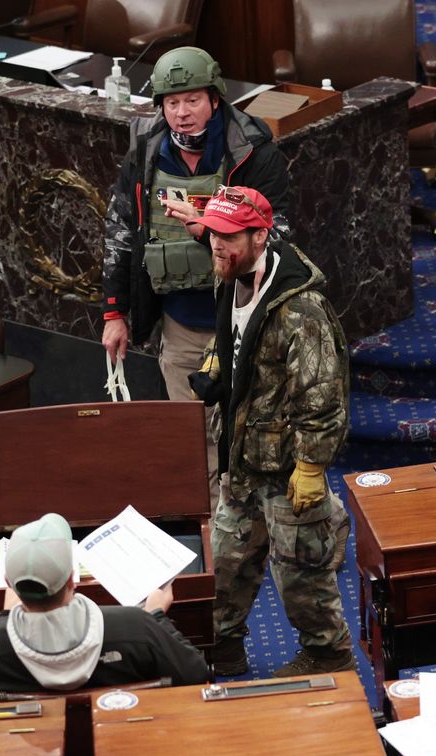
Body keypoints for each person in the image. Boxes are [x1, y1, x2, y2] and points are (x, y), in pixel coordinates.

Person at [99, 46, 291, 509]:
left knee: (254, 433)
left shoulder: (254, 153)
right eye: (171, 103)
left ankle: (256, 529)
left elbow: (277, 237)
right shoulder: (145, 150)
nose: (182, 114)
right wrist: (114, 312)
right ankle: (215, 538)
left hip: (245, 322)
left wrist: (209, 229)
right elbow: (121, 232)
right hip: (181, 324)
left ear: (215, 98)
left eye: (192, 101)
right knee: (195, 436)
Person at [185, 186, 355, 678]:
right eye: (214, 233)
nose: (216, 244)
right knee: (226, 566)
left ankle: (329, 655)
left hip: (287, 469)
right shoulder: (232, 273)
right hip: (241, 458)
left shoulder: (302, 310)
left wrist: (310, 467)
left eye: (229, 236)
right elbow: (235, 337)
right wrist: (218, 365)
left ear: (260, 236)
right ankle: (223, 648)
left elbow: (323, 395)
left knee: (301, 576)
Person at [0, 513, 208, 704]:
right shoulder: (138, 627)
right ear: (72, 579)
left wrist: (5, 620)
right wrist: (156, 617)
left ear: (9, 585)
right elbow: (198, 676)